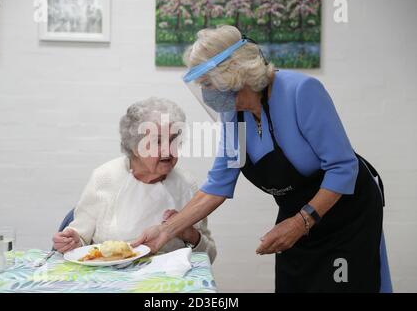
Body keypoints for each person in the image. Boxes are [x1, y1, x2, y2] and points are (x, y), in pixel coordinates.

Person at [133, 26, 386, 292]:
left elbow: (343, 167)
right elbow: (217, 186)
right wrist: (164, 232)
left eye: (207, 83)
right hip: (296, 216)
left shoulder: (301, 91)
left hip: (345, 216)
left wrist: (301, 222)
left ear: (232, 75)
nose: (205, 93)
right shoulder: (233, 116)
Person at [52, 97, 217, 263]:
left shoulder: (187, 184)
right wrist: (72, 241)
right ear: (134, 145)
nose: (168, 149)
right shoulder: (104, 177)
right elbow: (80, 238)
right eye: (157, 141)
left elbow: (209, 256)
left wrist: (189, 233)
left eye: (174, 139)